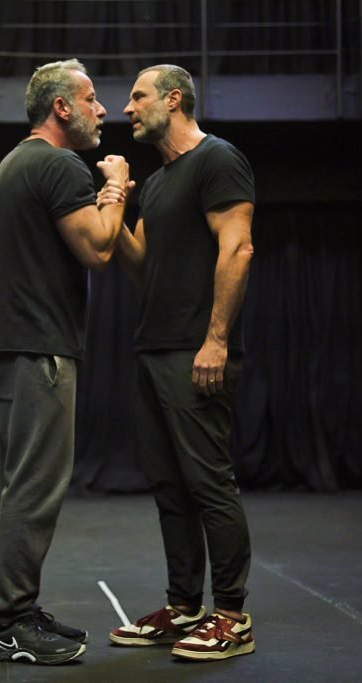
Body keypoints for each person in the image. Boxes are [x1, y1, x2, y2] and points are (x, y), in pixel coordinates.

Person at [0, 59, 130, 666]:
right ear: (61, 108)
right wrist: (114, 182)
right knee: (35, 486)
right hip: (37, 347)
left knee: (28, 482)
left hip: (18, 344)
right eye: (91, 99)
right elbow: (97, 246)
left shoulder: (19, 161)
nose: (104, 110)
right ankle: (10, 623)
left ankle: (17, 614)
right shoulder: (57, 163)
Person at [104, 64, 256, 661]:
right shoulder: (161, 182)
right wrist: (112, 205)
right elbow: (141, 268)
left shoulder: (217, 159)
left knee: (208, 482)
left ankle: (231, 617)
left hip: (197, 349)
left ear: (174, 99)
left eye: (137, 97)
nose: (126, 109)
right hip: (153, 346)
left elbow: (238, 247)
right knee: (170, 486)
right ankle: (184, 605)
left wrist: (216, 339)